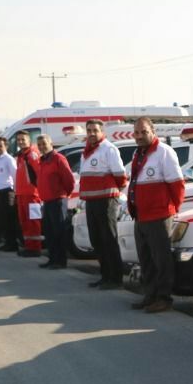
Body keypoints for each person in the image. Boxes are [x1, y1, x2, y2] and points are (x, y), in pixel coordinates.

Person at [127, 117, 185, 313]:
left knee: (161, 260)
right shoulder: (139, 153)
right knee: (146, 260)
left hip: (159, 216)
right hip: (141, 216)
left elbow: (177, 184)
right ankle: (150, 295)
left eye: (144, 132)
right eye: (137, 132)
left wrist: (172, 209)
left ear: (153, 131)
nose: (140, 136)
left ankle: (164, 298)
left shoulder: (164, 152)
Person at [79, 119, 128, 289]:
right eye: (89, 130)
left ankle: (115, 278)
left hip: (106, 201)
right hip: (91, 202)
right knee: (97, 240)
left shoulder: (108, 149)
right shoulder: (86, 151)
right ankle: (105, 275)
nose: (91, 133)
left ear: (102, 132)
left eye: (95, 130)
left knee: (108, 239)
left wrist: (112, 192)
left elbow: (121, 176)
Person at [35, 134, 75, 269]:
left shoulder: (58, 159)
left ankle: (60, 261)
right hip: (46, 201)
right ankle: (52, 259)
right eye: (39, 144)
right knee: (49, 232)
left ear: (51, 143)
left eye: (44, 143)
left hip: (58, 200)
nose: (41, 147)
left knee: (59, 232)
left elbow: (69, 180)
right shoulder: (42, 160)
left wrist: (63, 195)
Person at [13, 130, 43, 258]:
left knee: (33, 222)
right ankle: (29, 246)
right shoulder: (21, 155)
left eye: (23, 139)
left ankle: (35, 248)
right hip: (21, 194)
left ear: (29, 140)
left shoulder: (32, 155)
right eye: (18, 140)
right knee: (24, 221)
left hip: (32, 195)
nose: (20, 142)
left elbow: (39, 174)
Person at [0, 136, 20, 253]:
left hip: (8, 191)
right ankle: (7, 242)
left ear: (6, 146)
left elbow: (15, 176)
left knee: (9, 219)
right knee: (2, 219)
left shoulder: (9, 159)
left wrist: (14, 192)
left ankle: (12, 244)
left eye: (0, 146)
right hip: (0, 192)